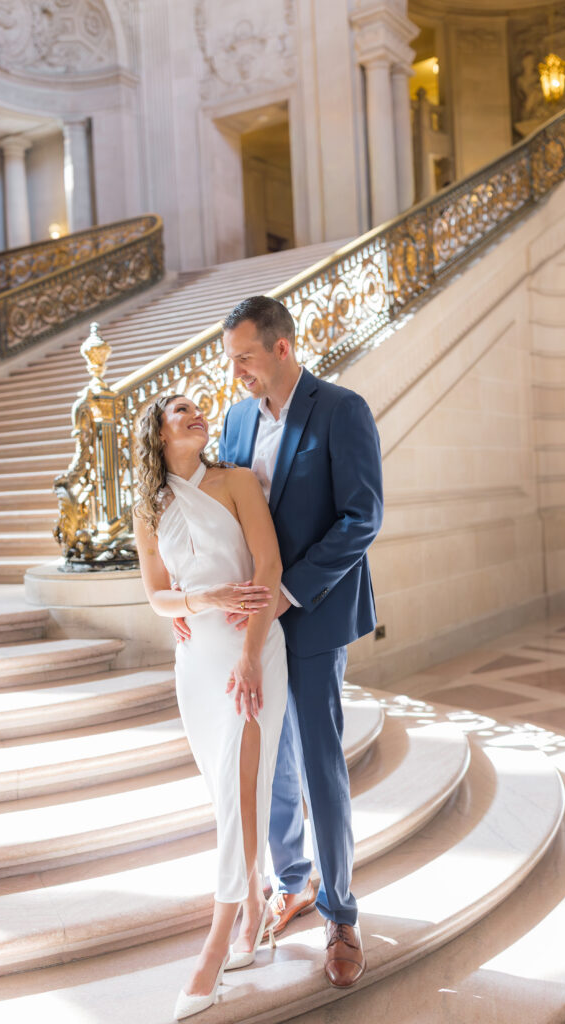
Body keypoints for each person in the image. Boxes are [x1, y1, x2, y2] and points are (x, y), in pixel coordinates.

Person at [173, 295, 383, 988]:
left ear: (282, 348)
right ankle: (291, 881)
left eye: (245, 358)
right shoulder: (234, 419)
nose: (235, 373)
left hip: (313, 613)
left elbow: (361, 517)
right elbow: (212, 507)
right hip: (249, 627)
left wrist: (290, 589)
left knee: (319, 760)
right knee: (270, 764)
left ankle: (341, 915)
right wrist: (182, 595)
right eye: (230, 360)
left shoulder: (341, 409)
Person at [132, 394, 288, 1019]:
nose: (196, 414)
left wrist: (250, 655)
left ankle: (216, 943)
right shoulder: (147, 507)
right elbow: (157, 597)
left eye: (199, 409)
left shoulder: (237, 481)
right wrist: (200, 600)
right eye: (180, 411)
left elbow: (270, 564)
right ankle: (255, 905)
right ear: (157, 433)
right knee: (226, 794)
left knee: (242, 788)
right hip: (197, 665)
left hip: (252, 653)